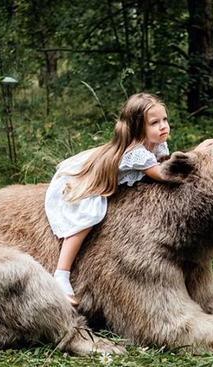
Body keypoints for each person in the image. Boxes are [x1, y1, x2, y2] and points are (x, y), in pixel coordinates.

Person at [45, 92, 174, 304]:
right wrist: (194, 158)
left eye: (165, 120)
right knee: (88, 217)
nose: (163, 126)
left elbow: (164, 161)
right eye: (154, 123)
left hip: (105, 168)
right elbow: (162, 174)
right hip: (98, 180)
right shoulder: (138, 153)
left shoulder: (157, 143)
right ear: (138, 127)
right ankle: (61, 273)